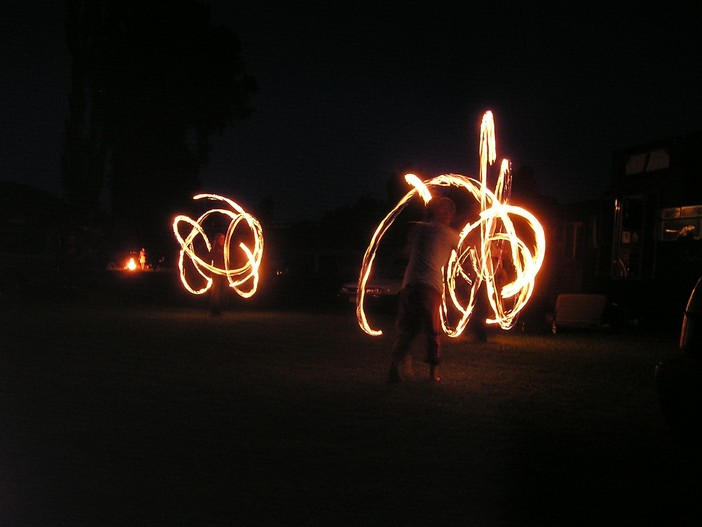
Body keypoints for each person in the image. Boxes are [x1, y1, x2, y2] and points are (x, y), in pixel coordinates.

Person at [388, 197, 459, 383]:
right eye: (450, 213)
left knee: (406, 330)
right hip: (430, 287)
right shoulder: (450, 234)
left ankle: (394, 368)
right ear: (445, 213)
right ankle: (432, 374)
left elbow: (407, 250)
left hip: (409, 285)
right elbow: (468, 252)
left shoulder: (418, 228)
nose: (451, 216)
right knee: (432, 332)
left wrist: (393, 256)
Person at [208, 233, 226, 316]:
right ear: (218, 240)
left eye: (224, 238)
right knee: (216, 292)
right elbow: (210, 257)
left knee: (221, 292)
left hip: (224, 273)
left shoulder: (225, 249)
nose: (223, 240)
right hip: (216, 273)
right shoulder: (215, 249)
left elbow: (227, 262)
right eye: (221, 239)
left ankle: (218, 310)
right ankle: (213, 310)